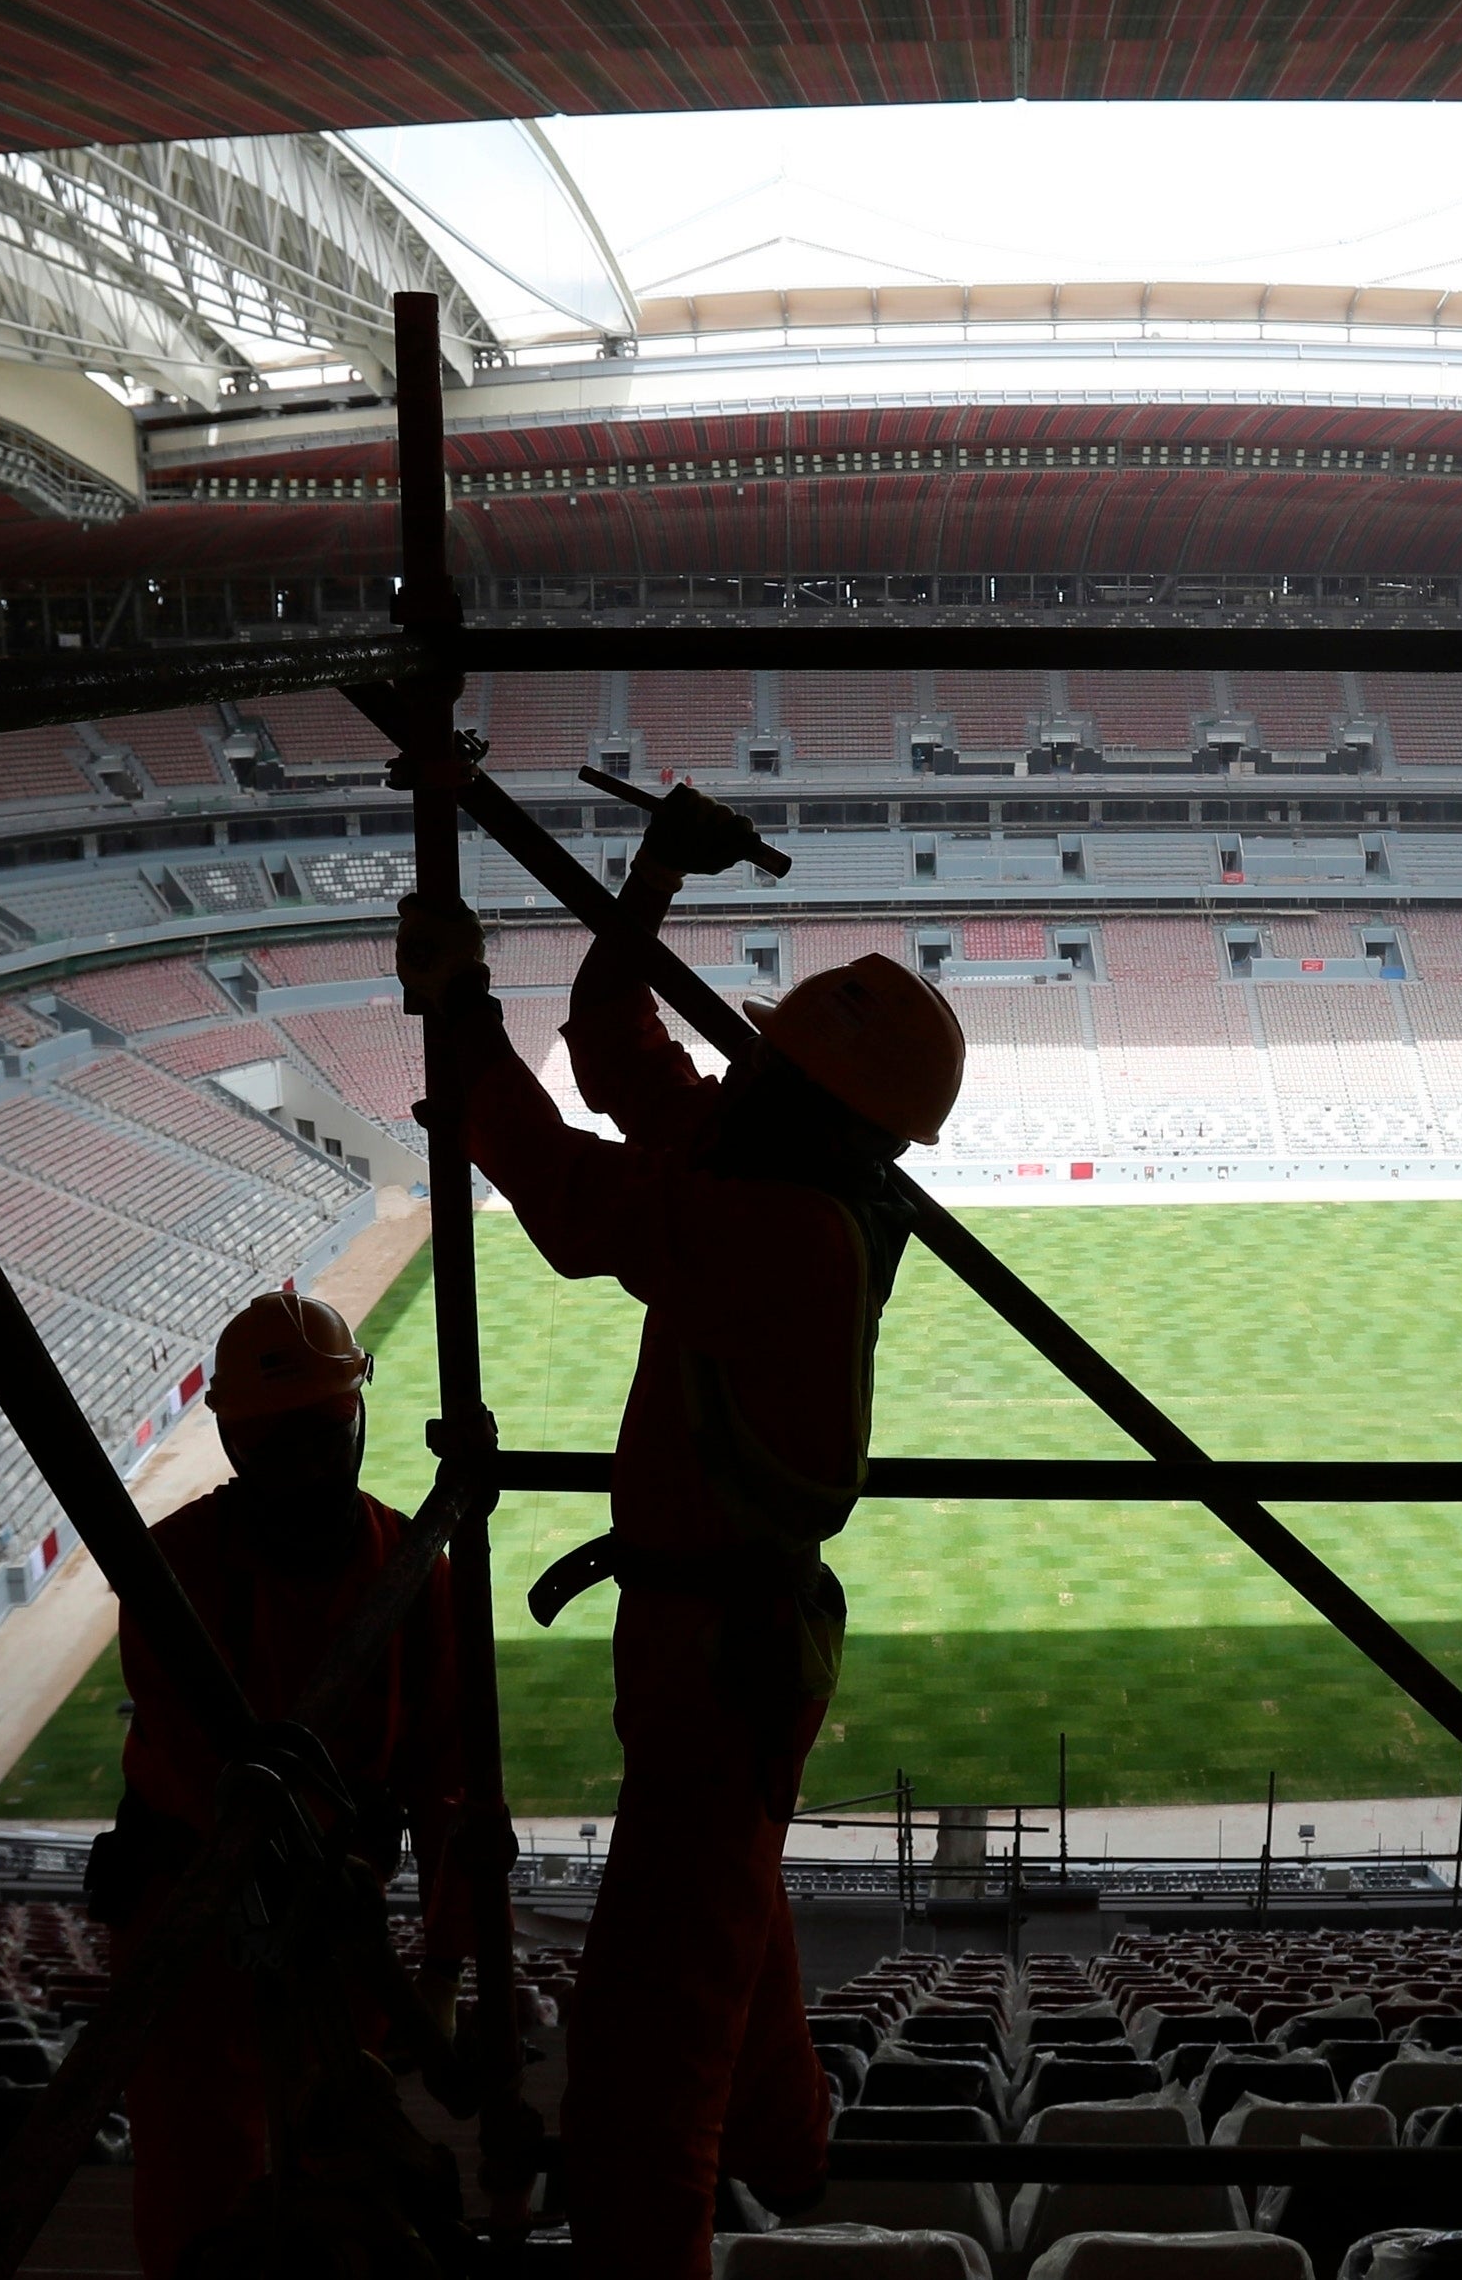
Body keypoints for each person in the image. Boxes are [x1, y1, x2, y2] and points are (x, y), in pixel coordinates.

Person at [400, 785, 964, 2280]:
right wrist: (648, 876)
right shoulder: (768, 1156)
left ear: (829, 1102)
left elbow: (573, 1198)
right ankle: (790, 2144)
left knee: (642, 2071)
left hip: (721, 1659)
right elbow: (610, 1046)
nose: (747, 1053)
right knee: (729, 1929)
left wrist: (455, 1019)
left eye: (776, 1049)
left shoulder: (784, 1223)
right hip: (714, 1647)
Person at [102, 1286, 480, 2280]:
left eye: (321, 1431)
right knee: (201, 2198)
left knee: (343, 2185)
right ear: (231, 1438)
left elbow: (450, 1782)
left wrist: (442, 1971)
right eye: (279, 1441)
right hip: (193, 1919)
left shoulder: (413, 1573)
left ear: (355, 1416)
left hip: (328, 1925)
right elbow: (196, 1769)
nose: (309, 1462)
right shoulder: (172, 1571)